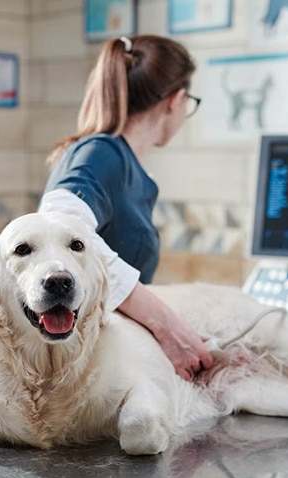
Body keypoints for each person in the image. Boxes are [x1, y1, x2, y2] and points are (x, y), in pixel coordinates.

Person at [38, 34, 213, 381]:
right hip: (86, 372)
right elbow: (56, 226)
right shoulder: (103, 153)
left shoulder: (124, 165)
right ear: (175, 100)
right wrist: (166, 325)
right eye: (188, 102)